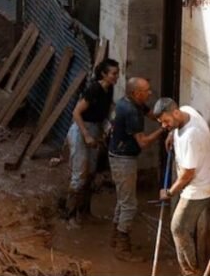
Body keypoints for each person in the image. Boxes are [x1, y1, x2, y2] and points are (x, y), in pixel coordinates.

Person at [152, 98, 210, 276]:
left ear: (175, 113)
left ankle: (191, 273)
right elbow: (185, 115)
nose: (165, 125)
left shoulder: (191, 136)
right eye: (162, 123)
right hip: (196, 180)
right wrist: (171, 135)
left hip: (200, 186)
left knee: (178, 227)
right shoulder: (185, 110)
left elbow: (187, 174)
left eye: (166, 121)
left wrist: (169, 192)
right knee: (182, 227)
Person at [107, 77, 165, 261]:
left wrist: (167, 115)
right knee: (130, 205)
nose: (150, 93)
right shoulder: (131, 110)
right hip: (123, 159)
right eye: (146, 91)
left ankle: (115, 239)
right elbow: (143, 142)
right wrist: (163, 129)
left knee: (122, 201)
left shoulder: (130, 102)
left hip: (118, 155)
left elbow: (151, 114)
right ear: (136, 93)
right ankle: (122, 248)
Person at [65, 58, 119, 227]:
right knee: (79, 174)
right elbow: (76, 113)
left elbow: (106, 110)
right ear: (104, 74)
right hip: (82, 129)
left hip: (95, 129)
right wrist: (86, 135)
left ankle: (85, 212)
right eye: (114, 73)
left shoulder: (109, 89)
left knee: (90, 173)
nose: (117, 76)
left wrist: (106, 127)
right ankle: (70, 217)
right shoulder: (94, 89)